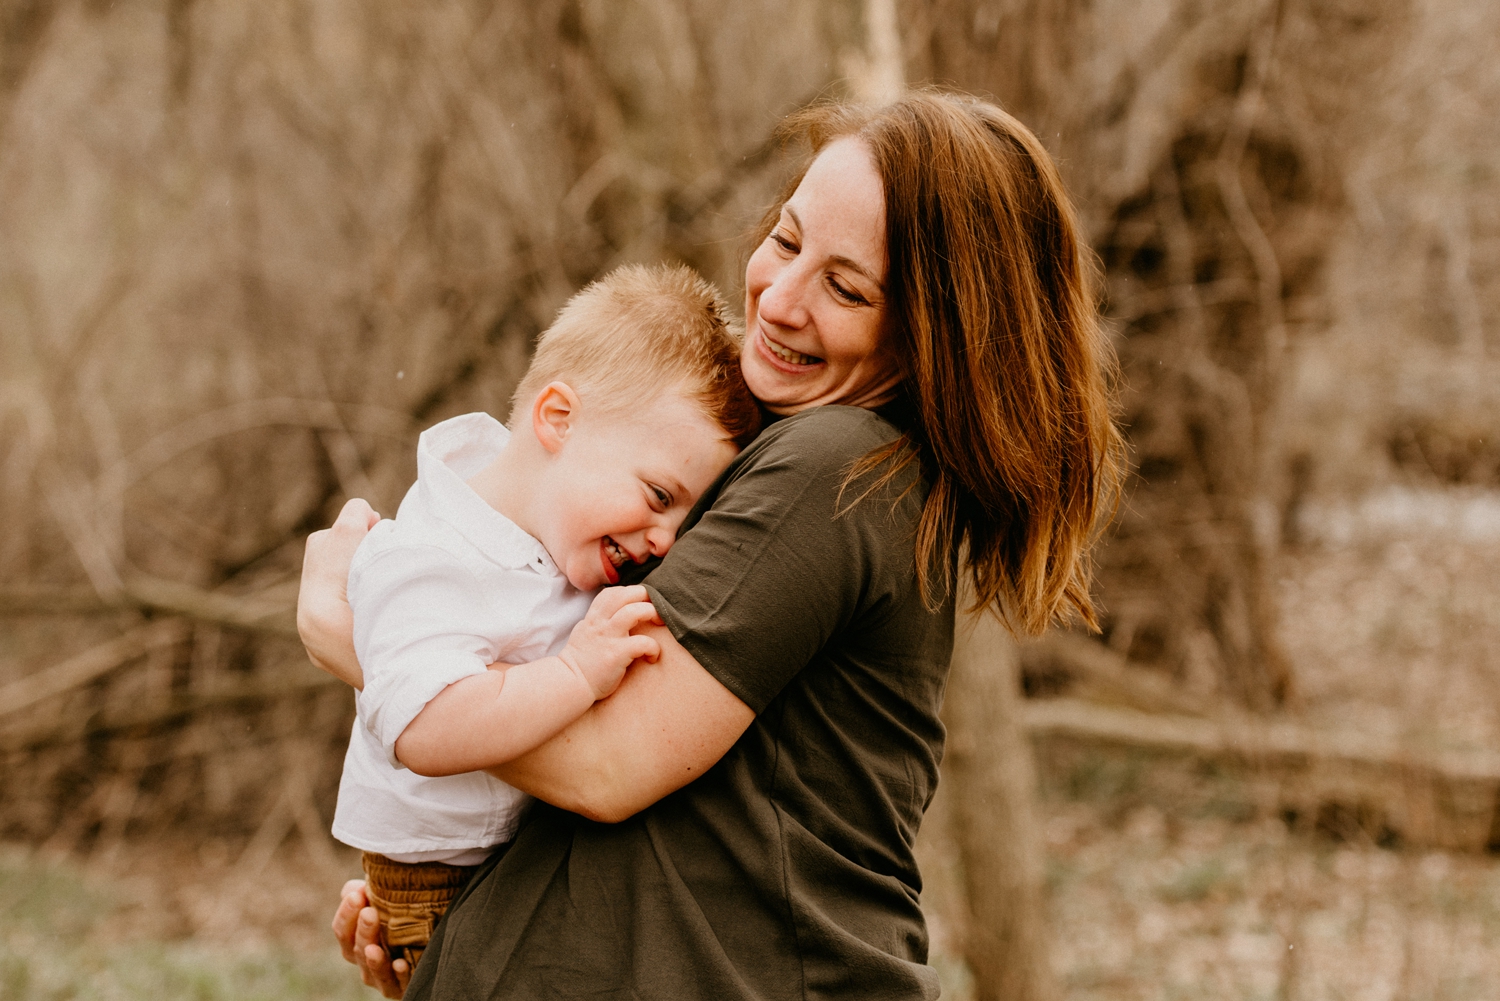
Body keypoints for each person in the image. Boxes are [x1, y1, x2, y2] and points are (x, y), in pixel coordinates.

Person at [298, 89, 1124, 1000]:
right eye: (786, 237)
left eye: (847, 286)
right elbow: (679, 803)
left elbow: (604, 764)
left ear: (935, 334)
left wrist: (369, 644)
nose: (779, 297)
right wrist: (444, 893)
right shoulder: (757, 457)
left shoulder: (835, 467)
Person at [330, 264, 761, 969]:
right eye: (659, 494)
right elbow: (425, 728)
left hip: (513, 866)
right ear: (557, 418)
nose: (664, 541)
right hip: (445, 887)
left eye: (685, 522)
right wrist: (574, 672)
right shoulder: (430, 556)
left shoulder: (560, 547)